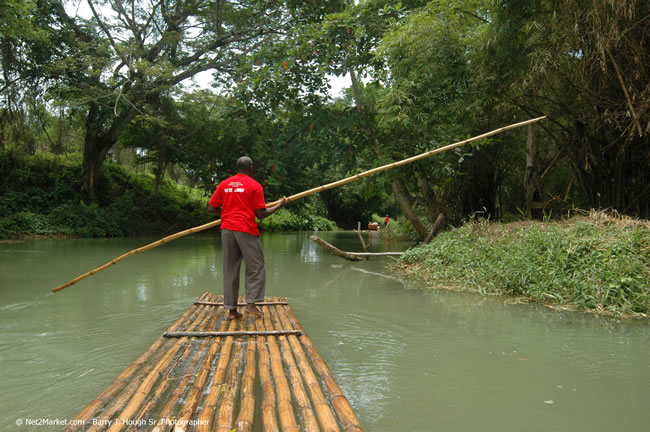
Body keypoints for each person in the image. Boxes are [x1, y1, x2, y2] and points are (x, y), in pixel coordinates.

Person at [207, 156, 286, 320]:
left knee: (230, 269)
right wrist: (279, 205)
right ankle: (251, 304)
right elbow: (261, 214)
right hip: (246, 229)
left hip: (227, 230)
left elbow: (211, 208)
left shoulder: (224, 184)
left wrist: (229, 212)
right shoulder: (254, 186)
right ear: (250, 167)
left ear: (238, 168)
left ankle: (232, 311)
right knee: (256, 267)